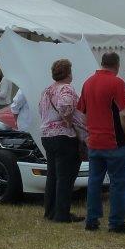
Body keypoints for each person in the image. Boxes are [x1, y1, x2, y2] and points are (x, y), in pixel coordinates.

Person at [77, 52, 125, 233]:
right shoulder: (116, 83)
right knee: (119, 182)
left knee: (94, 181)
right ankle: (116, 222)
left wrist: (88, 134)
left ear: (102, 63)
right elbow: (124, 114)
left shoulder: (87, 83)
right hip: (114, 142)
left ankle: (92, 220)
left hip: (94, 142)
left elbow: (82, 114)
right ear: (116, 65)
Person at [39, 58, 84, 223]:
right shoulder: (66, 89)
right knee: (65, 176)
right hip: (63, 135)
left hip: (47, 135)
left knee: (52, 175)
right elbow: (65, 106)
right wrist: (68, 119)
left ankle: (50, 211)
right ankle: (62, 214)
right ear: (68, 73)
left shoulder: (47, 90)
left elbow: (41, 110)